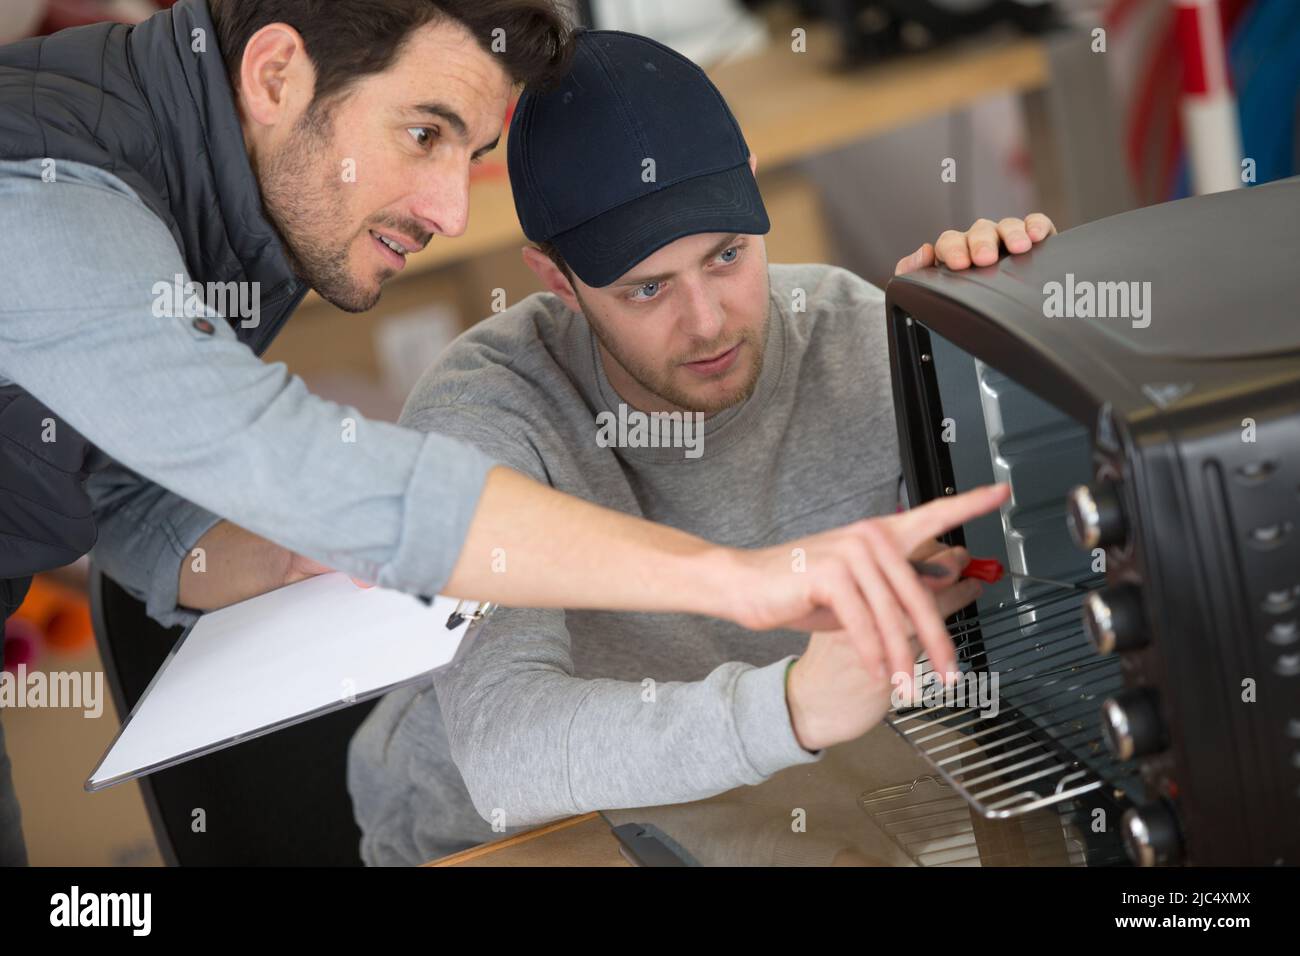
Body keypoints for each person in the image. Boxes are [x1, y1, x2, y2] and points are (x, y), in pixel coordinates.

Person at [0, 1, 1001, 866]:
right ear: (273, 74)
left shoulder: (223, 192)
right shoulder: (51, 198)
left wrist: (992, 326)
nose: (444, 208)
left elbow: (117, 487)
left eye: (469, 153)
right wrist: (737, 579)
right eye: (424, 134)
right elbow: (280, 454)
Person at [340, 29, 1054, 865]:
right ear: (555, 281)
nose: (709, 320)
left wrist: (995, 346)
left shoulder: (852, 331)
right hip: (516, 836)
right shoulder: (484, 414)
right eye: (647, 288)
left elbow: (1035, 588)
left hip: (785, 792)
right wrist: (790, 709)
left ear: (752, 194)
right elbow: (506, 753)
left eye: (726, 255)